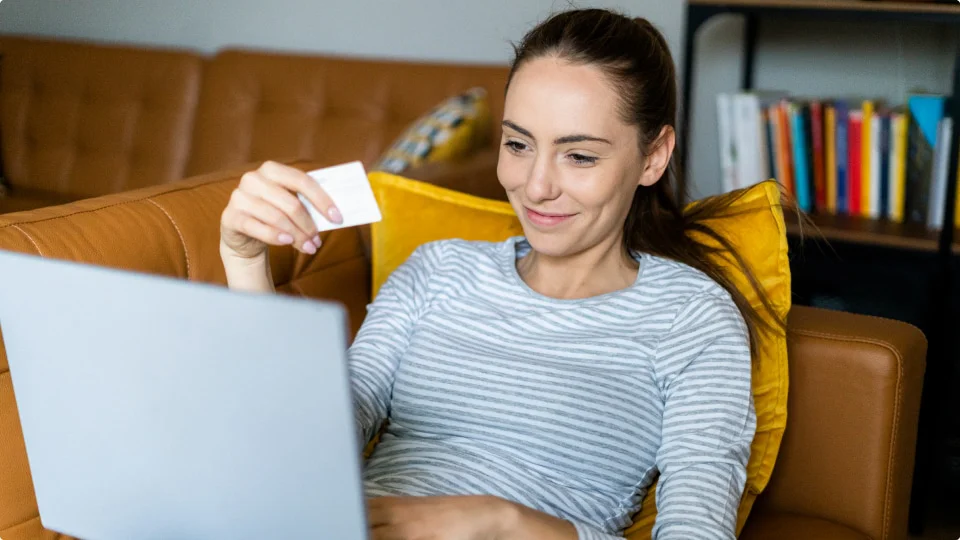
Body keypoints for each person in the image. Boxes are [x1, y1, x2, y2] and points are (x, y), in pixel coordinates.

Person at [219, 8, 782, 540]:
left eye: (579, 156)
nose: (536, 187)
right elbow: (308, 447)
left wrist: (501, 522)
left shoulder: (692, 318)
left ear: (653, 157)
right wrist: (245, 263)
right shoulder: (437, 270)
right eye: (518, 144)